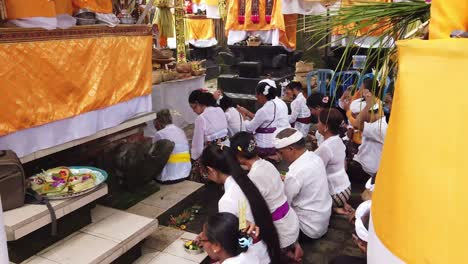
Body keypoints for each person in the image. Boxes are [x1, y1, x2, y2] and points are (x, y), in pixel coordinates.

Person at [200, 144, 287, 264]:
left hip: (249, 254)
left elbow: (228, 241)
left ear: (211, 170)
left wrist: (208, 239)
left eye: (205, 173)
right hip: (264, 248)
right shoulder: (244, 183)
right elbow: (242, 220)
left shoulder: (227, 200)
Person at [230, 132, 303, 262]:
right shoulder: (268, 165)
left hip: (281, 233)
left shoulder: (251, 178)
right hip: (292, 223)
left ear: (238, 157)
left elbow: (245, 215)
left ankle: (284, 256)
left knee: (241, 231)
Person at [274, 128, 332, 240]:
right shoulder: (315, 157)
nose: (280, 157)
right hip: (322, 222)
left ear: (291, 149)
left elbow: (285, 204)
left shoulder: (294, 174)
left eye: (281, 152)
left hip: (307, 230)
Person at [344, 79, 388, 183]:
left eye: (361, 113)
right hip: (362, 161)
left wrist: (368, 104)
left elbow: (357, 123)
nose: (359, 116)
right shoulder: (374, 121)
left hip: (369, 171)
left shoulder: (379, 127)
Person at [315, 109, 353, 216]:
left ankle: (333, 209)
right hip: (346, 189)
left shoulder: (326, 147)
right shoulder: (338, 140)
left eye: (319, 122)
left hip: (336, 195)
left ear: (326, 127)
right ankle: (340, 205)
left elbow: (314, 172)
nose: (317, 125)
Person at [188, 90, 229, 181]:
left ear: (198, 103)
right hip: (227, 148)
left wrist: (193, 158)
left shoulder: (201, 118)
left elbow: (197, 145)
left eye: (194, 107)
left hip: (213, 154)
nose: (193, 111)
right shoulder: (219, 109)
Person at [237, 82, 281, 159]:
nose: (256, 96)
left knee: (241, 150)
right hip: (272, 143)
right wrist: (247, 113)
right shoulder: (273, 105)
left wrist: (243, 117)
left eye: (257, 94)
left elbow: (249, 129)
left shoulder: (263, 110)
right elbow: (260, 119)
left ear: (261, 95)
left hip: (262, 146)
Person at [152, 109, 192, 183]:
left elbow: (153, 156)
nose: (154, 126)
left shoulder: (159, 134)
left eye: (154, 124)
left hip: (169, 177)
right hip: (186, 173)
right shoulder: (180, 131)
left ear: (158, 122)